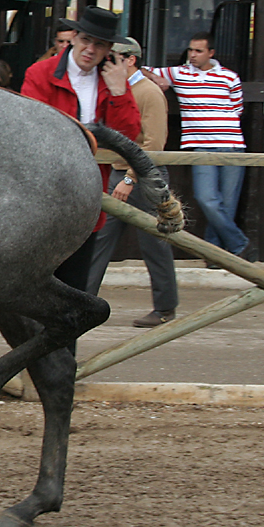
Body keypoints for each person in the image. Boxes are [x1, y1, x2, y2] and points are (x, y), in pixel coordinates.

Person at [21, 6, 141, 294]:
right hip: (42, 200)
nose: (90, 49)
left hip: (87, 201)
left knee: (75, 294)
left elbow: (128, 134)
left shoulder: (113, 80)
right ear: (73, 37)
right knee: (34, 292)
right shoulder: (40, 73)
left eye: (99, 44)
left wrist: (119, 93)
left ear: (109, 49)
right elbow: (30, 129)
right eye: (86, 39)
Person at [86, 37, 179, 327]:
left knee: (155, 243)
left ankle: (165, 307)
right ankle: (83, 303)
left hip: (143, 177)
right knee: (99, 239)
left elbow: (154, 143)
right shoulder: (119, 91)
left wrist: (129, 177)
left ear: (130, 60)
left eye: (114, 58)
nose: (108, 63)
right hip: (121, 173)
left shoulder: (148, 92)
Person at [144, 32, 253, 264]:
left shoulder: (229, 77)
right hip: (201, 146)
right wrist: (156, 78)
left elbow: (237, 110)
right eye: (190, 50)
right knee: (206, 198)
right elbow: (139, 69)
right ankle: (239, 244)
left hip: (233, 145)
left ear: (211, 53)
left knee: (227, 204)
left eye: (198, 51)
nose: (192, 55)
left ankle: (214, 256)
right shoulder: (180, 73)